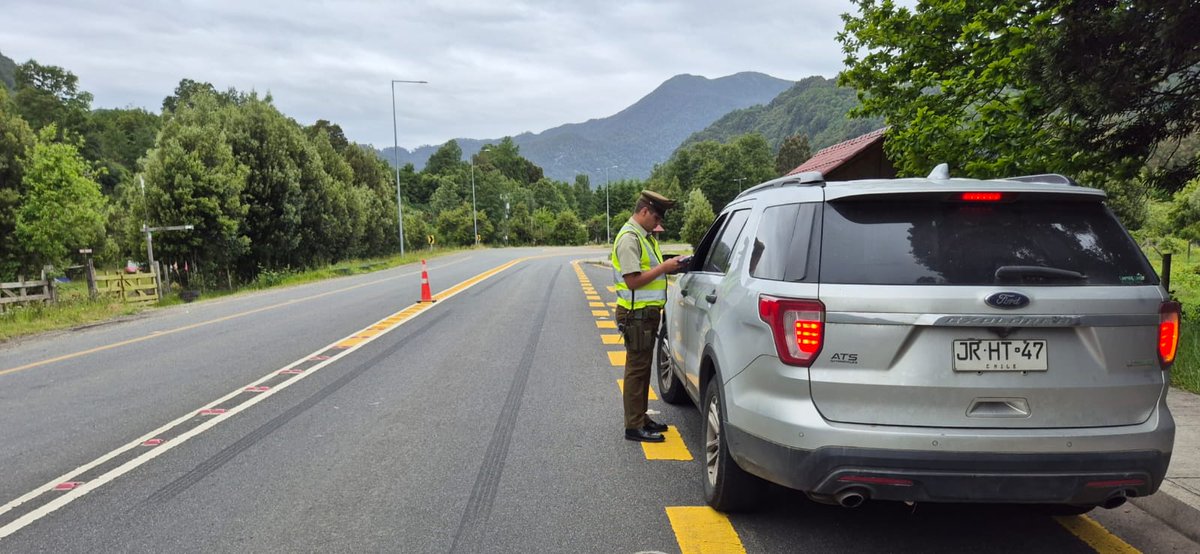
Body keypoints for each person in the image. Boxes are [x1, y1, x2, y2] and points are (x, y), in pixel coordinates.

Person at [611, 191, 684, 442]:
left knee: (642, 368)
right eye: (655, 217)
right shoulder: (630, 239)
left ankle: (641, 418)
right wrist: (664, 267)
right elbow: (632, 281)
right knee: (636, 369)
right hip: (636, 314)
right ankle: (633, 426)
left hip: (646, 314)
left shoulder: (644, 236)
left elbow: (646, 268)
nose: (657, 223)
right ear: (643, 212)